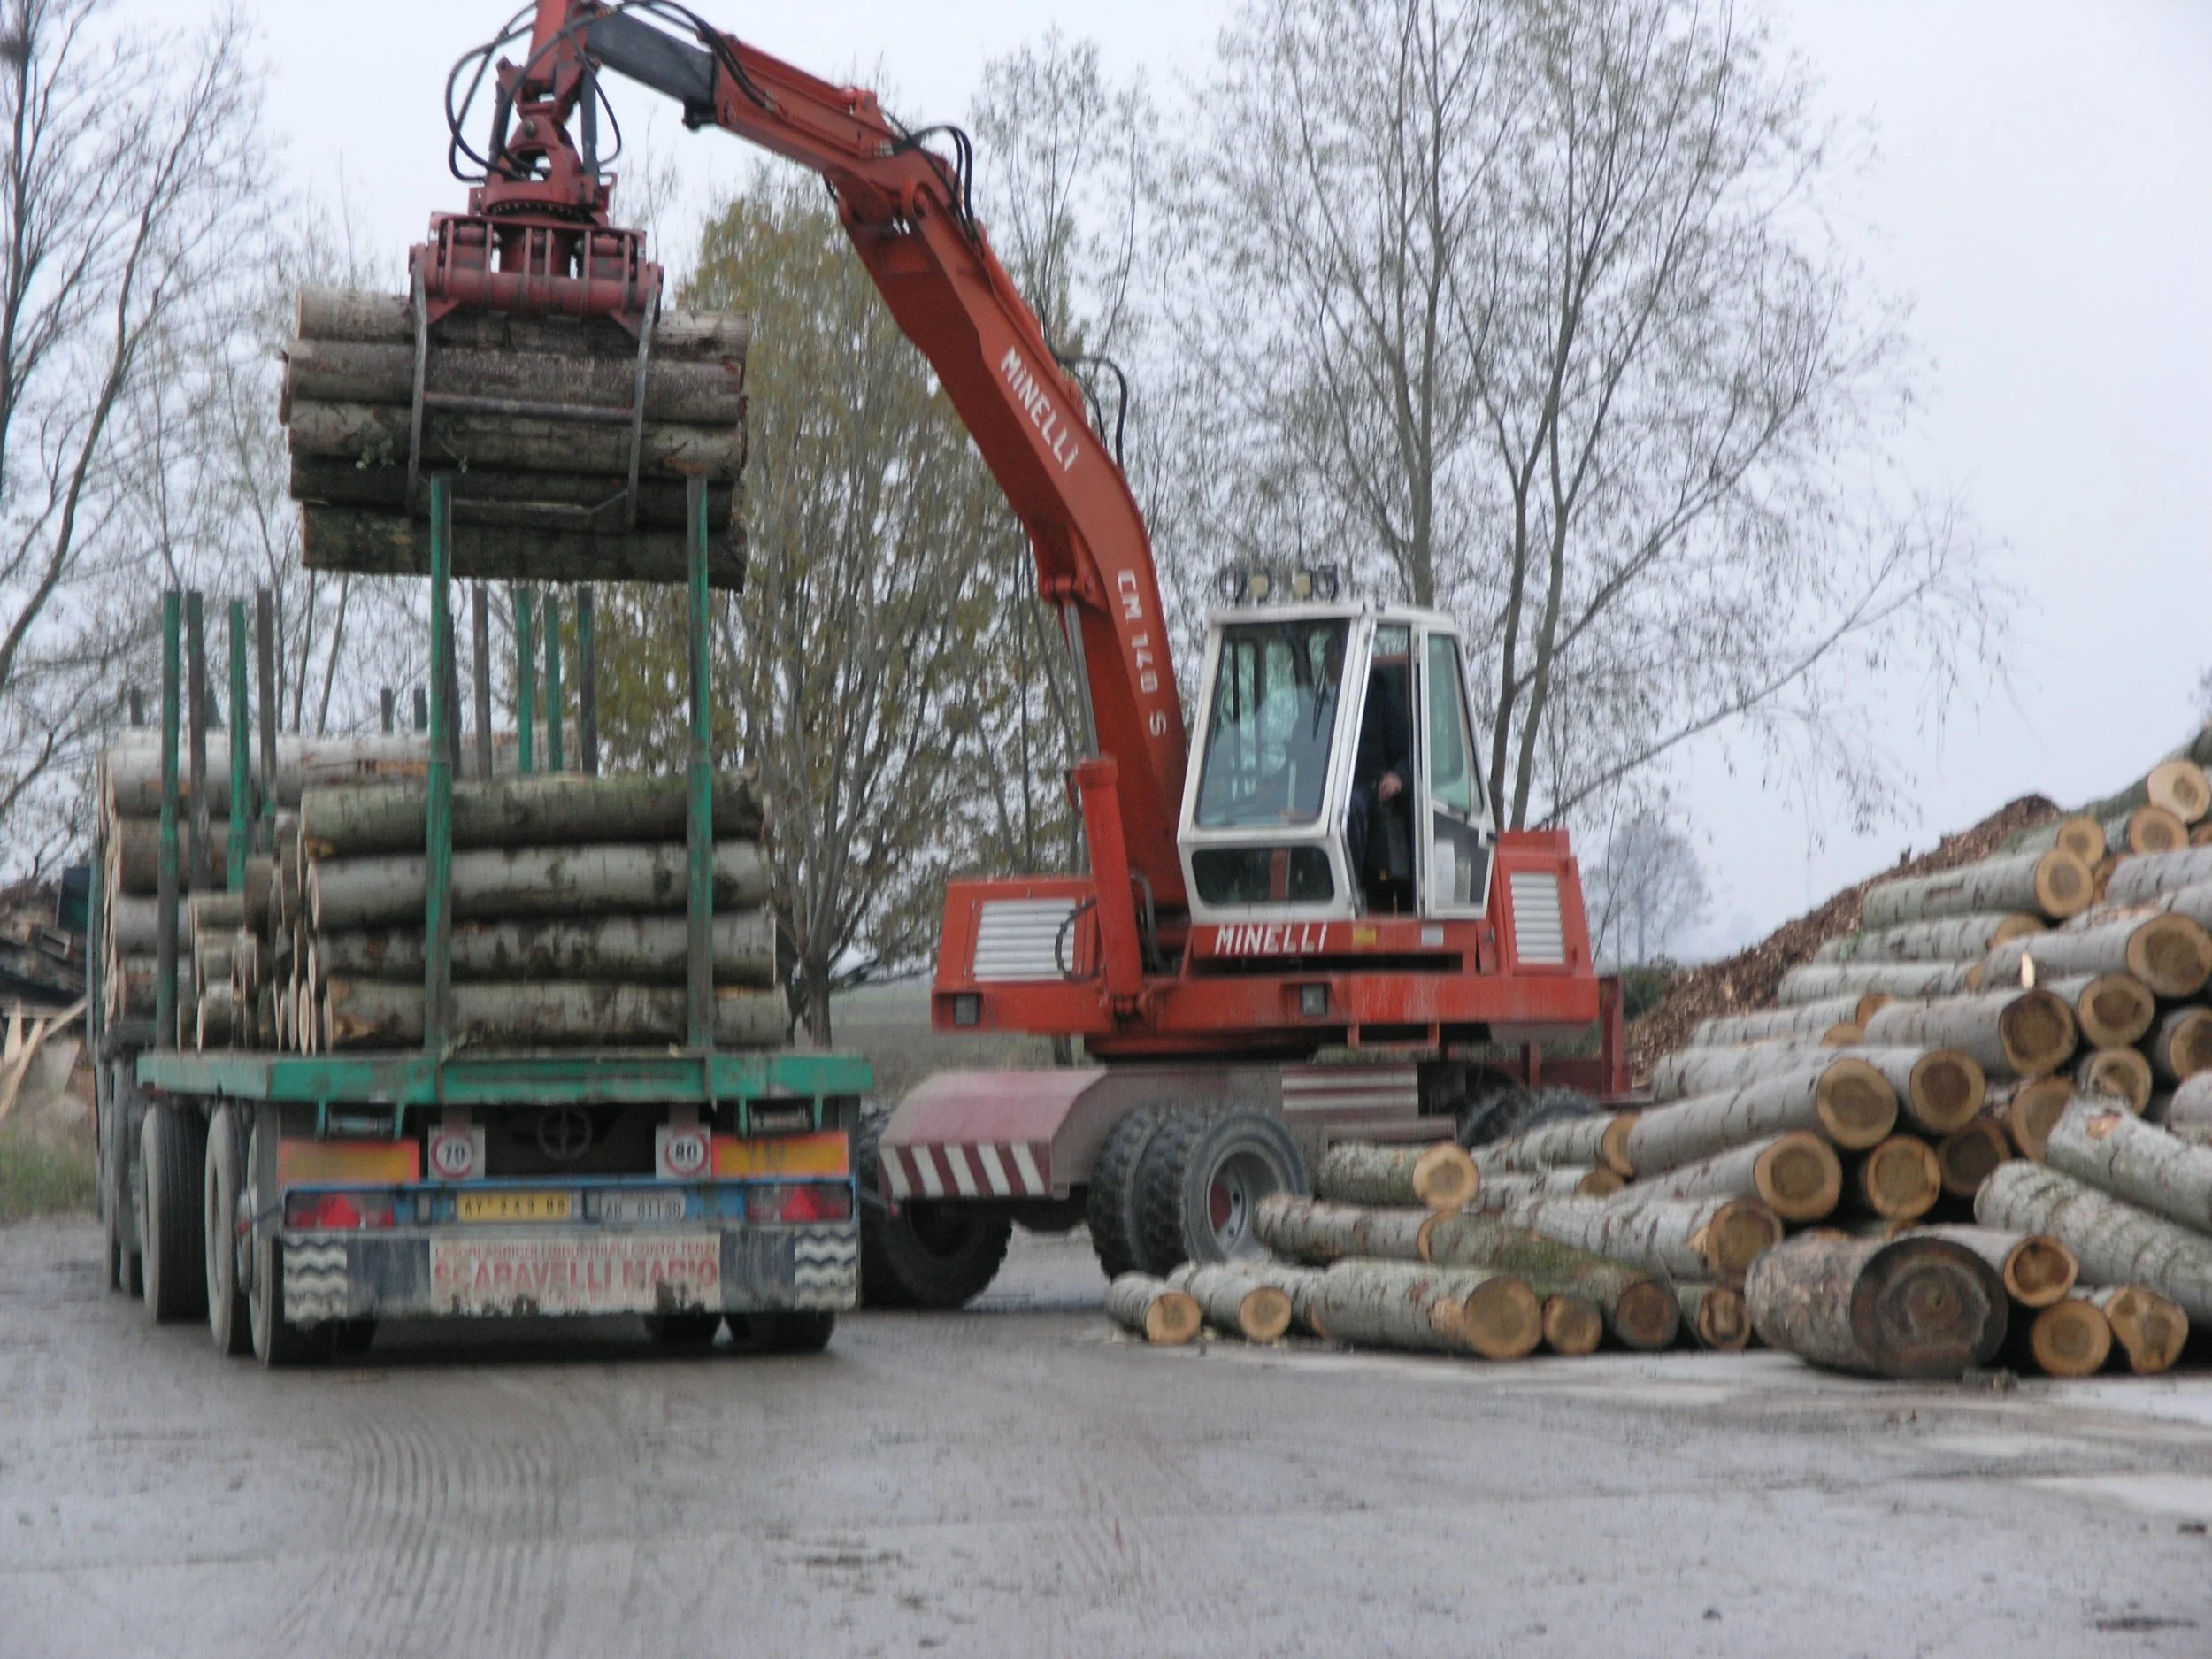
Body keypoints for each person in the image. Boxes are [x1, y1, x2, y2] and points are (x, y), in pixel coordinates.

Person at [1347, 664, 1411, 908]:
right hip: (1319, 789)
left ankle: (1350, 889)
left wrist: (1398, 778)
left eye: (1334, 653)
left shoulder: (1382, 704)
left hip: (1366, 786)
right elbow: (1298, 752)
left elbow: (1408, 755)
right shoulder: (1320, 704)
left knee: (1350, 808)